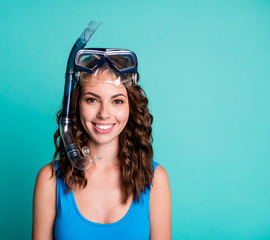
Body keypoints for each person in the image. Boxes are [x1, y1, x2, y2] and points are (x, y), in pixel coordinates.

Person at [32, 48, 172, 240]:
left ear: (131, 107)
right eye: (92, 99)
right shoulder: (50, 180)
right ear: (75, 104)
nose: (104, 113)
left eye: (117, 101)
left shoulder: (155, 180)